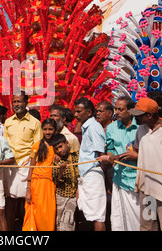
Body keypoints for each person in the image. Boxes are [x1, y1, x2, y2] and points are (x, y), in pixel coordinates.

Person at [129, 97, 162, 231]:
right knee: (147, 226)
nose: (135, 118)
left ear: (149, 115)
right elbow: (138, 152)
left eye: (138, 115)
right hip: (146, 189)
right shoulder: (141, 129)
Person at [97, 96, 140, 231]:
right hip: (121, 178)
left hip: (140, 179)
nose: (117, 112)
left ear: (131, 111)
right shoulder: (111, 128)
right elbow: (110, 149)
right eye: (116, 109)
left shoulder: (141, 126)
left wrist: (136, 156)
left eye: (121, 109)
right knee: (120, 219)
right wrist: (110, 158)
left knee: (144, 217)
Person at [3, 92, 42, 230]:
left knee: (27, 200)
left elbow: (37, 146)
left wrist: (30, 163)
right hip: (10, 164)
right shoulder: (8, 122)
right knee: (11, 200)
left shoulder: (35, 123)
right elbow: (5, 144)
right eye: (14, 102)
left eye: (19, 102)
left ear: (26, 103)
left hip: (26, 164)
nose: (16, 105)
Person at [73, 97, 106, 231]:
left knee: (97, 216)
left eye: (79, 112)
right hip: (86, 175)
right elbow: (76, 131)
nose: (75, 115)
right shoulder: (88, 126)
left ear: (89, 112)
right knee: (90, 214)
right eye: (75, 111)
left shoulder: (93, 127)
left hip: (93, 173)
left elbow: (100, 155)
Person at [22, 118, 57, 231]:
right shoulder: (36, 146)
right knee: (35, 210)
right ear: (42, 130)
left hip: (50, 183)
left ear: (55, 130)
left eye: (50, 129)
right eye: (45, 129)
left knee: (49, 212)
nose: (48, 132)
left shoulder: (58, 146)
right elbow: (31, 167)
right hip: (36, 184)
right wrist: (28, 187)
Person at [51, 133, 79, 231]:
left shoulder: (77, 155)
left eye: (60, 147)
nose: (59, 151)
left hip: (72, 195)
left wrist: (79, 188)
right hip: (61, 195)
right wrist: (61, 171)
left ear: (66, 143)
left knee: (68, 221)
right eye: (56, 149)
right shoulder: (56, 161)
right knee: (58, 221)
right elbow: (56, 181)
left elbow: (81, 174)